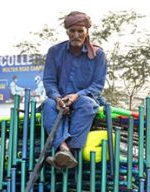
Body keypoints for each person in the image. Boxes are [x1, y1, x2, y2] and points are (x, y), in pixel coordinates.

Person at [42, 11, 107, 169]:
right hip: (58, 99)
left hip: (85, 98)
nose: (76, 35)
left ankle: (69, 151)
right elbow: (49, 81)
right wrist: (58, 98)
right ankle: (63, 148)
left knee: (87, 105)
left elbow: (97, 85)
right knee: (48, 105)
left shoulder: (99, 55)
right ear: (67, 32)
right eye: (72, 31)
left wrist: (77, 96)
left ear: (87, 32)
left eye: (80, 31)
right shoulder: (54, 52)